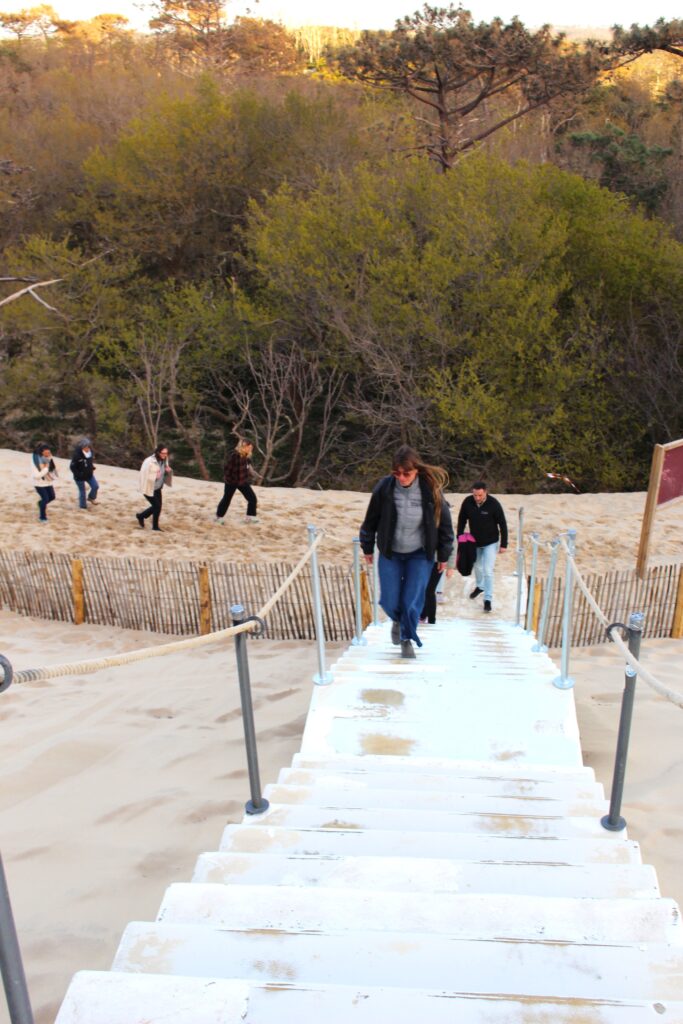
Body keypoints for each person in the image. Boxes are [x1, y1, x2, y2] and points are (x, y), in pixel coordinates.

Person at [360, 445, 454, 659]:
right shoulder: (384, 488)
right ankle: (397, 620)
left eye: (406, 473)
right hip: (391, 552)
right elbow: (370, 519)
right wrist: (367, 545)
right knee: (390, 601)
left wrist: (444, 556)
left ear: (416, 471)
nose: (401, 478)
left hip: (420, 554)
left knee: (411, 599)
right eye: (397, 473)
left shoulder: (431, 490)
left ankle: (406, 639)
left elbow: (446, 526)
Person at [456, 481, 508, 613]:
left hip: (491, 541)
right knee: (477, 566)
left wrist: (504, 544)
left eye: (479, 495)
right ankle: (480, 586)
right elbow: (462, 519)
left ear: (485, 492)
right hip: (474, 541)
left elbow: (502, 524)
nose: (477, 498)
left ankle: (488, 599)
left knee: (488, 570)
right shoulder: (468, 502)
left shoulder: (494, 504)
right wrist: (460, 537)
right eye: (475, 495)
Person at [216, 439, 260, 524]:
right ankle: (219, 517)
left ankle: (250, 517)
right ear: (243, 447)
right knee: (226, 499)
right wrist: (229, 480)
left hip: (242, 481)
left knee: (252, 498)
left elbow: (249, 467)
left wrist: (255, 474)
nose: (250, 449)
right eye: (249, 447)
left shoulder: (247, 456)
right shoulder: (234, 456)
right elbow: (227, 470)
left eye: (251, 447)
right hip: (231, 482)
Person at [136, 444, 172, 531]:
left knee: (158, 507)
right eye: (163, 453)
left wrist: (168, 471)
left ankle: (153, 525)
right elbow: (143, 475)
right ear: (158, 452)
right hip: (148, 487)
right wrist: (155, 475)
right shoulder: (149, 461)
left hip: (158, 487)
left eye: (166, 453)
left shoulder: (164, 460)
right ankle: (141, 517)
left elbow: (164, 471)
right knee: (156, 506)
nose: (165, 455)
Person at [31, 443, 58, 523]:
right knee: (45, 499)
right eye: (46, 453)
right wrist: (46, 469)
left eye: (49, 452)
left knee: (52, 497)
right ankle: (42, 517)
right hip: (39, 484)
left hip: (48, 482)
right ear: (41, 452)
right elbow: (36, 476)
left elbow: (53, 470)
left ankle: (40, 503)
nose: (48, 454)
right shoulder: (36, 461)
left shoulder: (49, 459)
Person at [70, 438, 99, 510]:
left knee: (95, 486)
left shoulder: (91, 452)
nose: (88, 448)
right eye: (86, 447)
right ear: (82, 447)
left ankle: (91, 498)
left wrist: (91, 467)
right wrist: (78, 475)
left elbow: (89, 461)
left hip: (89, 474)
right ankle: (83, 506)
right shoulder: (77, 455)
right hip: (79, 476)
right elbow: (72, 467)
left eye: (89, 446)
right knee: (82, 491)